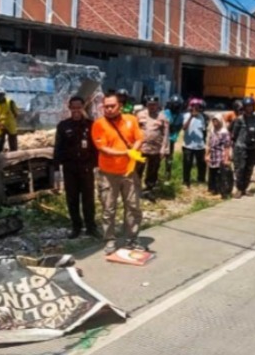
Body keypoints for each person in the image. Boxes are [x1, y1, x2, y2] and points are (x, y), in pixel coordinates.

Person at [91, 92, 145, 253]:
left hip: (129, 172)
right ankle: (109, 240)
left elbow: (139, 138)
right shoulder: (98, 124)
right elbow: (103, 148)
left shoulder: (131, 120)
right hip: (107, 174)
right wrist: (125, 154)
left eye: (112, 106)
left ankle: (132, 238)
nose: (108, 109)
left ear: (119, 106)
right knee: (109, 208)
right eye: (105, 106)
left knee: (133, 206)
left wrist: (133, 151)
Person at [53, 96, 99, 239]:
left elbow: (96, 148)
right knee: (72, 199)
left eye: (79, 107)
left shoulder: (91, 125)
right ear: (70, 108)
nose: (76, 110)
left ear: (83, 107)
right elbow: (58, 148)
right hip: (70, 169)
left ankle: (91, 227)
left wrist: (95, 165)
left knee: (88, 199)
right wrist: (56, 170)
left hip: (86, 169)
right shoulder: (63, 126)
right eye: (73, 108)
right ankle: (76, 227)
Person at [135, 95, 169, 198]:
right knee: (138, 169)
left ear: (157, 105)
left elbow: (166, 133)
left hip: (155, 149)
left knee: (153, 170)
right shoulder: (140, 115)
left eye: (154, 105)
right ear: (146, 104)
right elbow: (134, 129)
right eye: (150, 105)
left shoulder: (162, 116)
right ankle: (136, 189)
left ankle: (149, 189)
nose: (152, 107)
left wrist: (164, 148)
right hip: (142, 147)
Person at [230, 97, 255, 199]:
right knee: (240, 168)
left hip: (251, 147)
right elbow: (234, 134)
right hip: (240, 147)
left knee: (249, 169)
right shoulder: (239, 119)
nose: (249, 108)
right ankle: (239, 188)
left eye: (251, 106)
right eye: (247, 106)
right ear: (244, 107)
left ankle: (245, 188)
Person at [180, 98, 208, 187]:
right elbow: (184, 128)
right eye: (194, 107)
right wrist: (191, 116)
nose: (196, 109)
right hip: (188, 145)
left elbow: (203, 130)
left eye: (197, 107)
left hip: (200, 145)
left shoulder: (202, 117)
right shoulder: (186, 116)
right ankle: (186, 181)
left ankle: (201, 180)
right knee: (187, 163)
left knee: (202, 164)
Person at [206, 115, 233, 198]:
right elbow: (209, 143)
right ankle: (212, 189)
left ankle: (220, 190)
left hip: (220, 155)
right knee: (212, 173)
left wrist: (226, 158)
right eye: (213, 121)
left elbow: (227, 146)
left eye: (216, 121)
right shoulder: (213, 130)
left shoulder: (224, 132)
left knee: (220, 174)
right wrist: (207, 154)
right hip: (213, 155)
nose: (215, 123)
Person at [0, 88, 20, 153]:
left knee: (13, 141)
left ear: (4, 95)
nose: (0, 97)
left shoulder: (10, 102)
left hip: (10, 124)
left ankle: (14, 155)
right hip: (0, 124)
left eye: (1, 95)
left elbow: (16, 113)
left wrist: (11, 120)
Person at [163, 95, 185, 177]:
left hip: (171, 138)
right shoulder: (166, 113)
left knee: (169, 157)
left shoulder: (180, 116)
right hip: (163, 138)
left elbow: (178, 127)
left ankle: (167, 173)